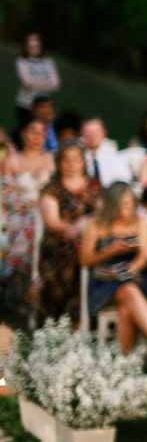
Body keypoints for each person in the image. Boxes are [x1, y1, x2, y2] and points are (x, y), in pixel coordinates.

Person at [78, 182, 147, 358]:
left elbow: (143, 257)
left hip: (137, 278)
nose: (123, 210)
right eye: (118, 205)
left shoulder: (141, 223)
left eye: (128, 204)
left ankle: (123, 365)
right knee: (128, 291)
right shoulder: (95, 225)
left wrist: (127, 272)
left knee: (127, 303)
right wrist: (112, 250)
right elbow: (85, 260)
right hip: (104, 282)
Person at [36, 142, 99, 320]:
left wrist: (84, 227)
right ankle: (65, 318)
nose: (71, 164)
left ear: (83, 162)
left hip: (90, 239)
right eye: (66, 160)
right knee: (71, 256)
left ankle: (89, 314)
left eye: (76, 159)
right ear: (59, 163)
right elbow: (53, 222)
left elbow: (102, 213)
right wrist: (78, 227)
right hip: (60, 242)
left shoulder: (94, 187)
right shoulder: (52, 189)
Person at [1, 120, 54, 315]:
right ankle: (18, 291)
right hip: (16, 214)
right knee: (20, 229)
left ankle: (34, 296)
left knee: (37, 231)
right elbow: (6, 192)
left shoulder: (51, 159)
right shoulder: (12, 160)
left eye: (42, 132)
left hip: (45, 214)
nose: (37, 136)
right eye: (33, 131)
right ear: (23, 133)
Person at [15, 33, 59, 129]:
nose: (34, 48)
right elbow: (27, 82)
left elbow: (55, 84)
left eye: (36, 46)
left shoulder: (48, 62)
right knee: (26, 131)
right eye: (31, 46)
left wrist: (34, 82)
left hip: (42, 106)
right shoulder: (22, 62)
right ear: (26, 47)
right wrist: (46, 81)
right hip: (25, 104)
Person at [80, 117, 133, 187]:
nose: (92, 135)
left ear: (104, 133)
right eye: (88, 132)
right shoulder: (78, 158)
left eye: (96, 131)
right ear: (81, 134)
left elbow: (125, 181)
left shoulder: (117, 157)